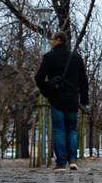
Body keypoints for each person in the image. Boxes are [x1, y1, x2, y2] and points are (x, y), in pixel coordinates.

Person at [35, 30, 89, 170]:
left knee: (59, 130)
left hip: (56, 99)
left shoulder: (49, 57)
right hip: (72, 100)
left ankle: (60, 163)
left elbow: (39, 78)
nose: (50, 41)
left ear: (59, 40)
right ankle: (73, 161)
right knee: (72, 130)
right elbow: (84, 81)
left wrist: (46, 90)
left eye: (52, 39)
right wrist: (84, 100)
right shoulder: (76, 57)